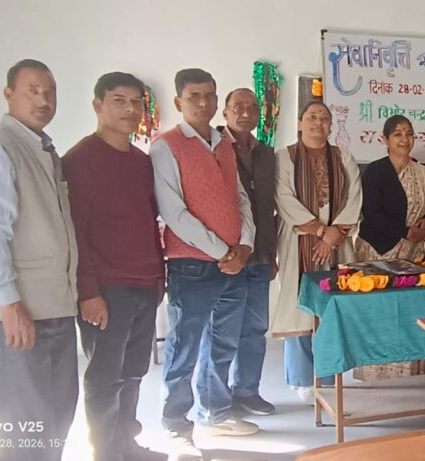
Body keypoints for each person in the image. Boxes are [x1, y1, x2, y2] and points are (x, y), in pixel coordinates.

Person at [0, 59, 78, 461]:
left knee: (55, 418)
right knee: (24, 429)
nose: (43, 99)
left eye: (49, 91)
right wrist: (9, 304)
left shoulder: (42, 148)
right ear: (8, 95)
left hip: (53, 306)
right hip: (17, 311)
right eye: (32, 90)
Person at [62, 72, 166, 461]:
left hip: (145, 284)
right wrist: (88, 292)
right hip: (106, 289)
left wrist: (159, 278)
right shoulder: (79, 160)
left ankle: (127, 445)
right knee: (105, 377)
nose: (129, 109)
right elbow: (75, 232)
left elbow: (149, 221)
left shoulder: (141, 161)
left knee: (134, 371)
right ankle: (106, 453)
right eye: (118, 100)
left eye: (136, 102)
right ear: (98, 105)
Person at [151, 69, 257, 449]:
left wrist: (245, 245)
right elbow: (173, 211)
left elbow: (240, 198)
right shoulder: (165, 146)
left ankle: (214, 413)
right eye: (193, 96)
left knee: (222, 344)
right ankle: (175, 425)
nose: (203, 102)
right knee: (184, 348)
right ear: (178, 102)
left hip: (234, 265)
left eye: (209, 95)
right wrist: (222, 251)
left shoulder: (223, 144)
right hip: (192, 265)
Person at [273, 101, 361, 403]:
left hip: (338, 241)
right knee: (300, 305)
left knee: (332, 305)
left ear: (331, 125)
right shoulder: (284, 157)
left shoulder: (343, 156)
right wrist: (321, 231)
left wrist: (333, 236)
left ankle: (327, 374)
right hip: (298, 239)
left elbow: (354, 197)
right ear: (300, 124)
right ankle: (302, 378)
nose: (317, 123)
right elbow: (284, 197)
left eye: (324, 118)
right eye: (311, 117)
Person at [220, 88, 277, 416]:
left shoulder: (266, 153)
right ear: (225, 112)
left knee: (255, 328)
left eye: (252, 108)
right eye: (238, 107)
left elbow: (269, 208)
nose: (245, 113)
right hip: (226, 256)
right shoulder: (214, 148)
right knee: (221, 331)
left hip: (260, 257)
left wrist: (271, 254)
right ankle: (217, 398)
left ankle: (247, 391)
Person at [355, 115, 425, 262]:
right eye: (397, 134)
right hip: (378, 250)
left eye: (409, 134)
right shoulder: (375, 171)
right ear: (385, 139)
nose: (405, 139)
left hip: (412, 252)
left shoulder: (424, 173)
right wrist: (406, 232)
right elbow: (372, 213)